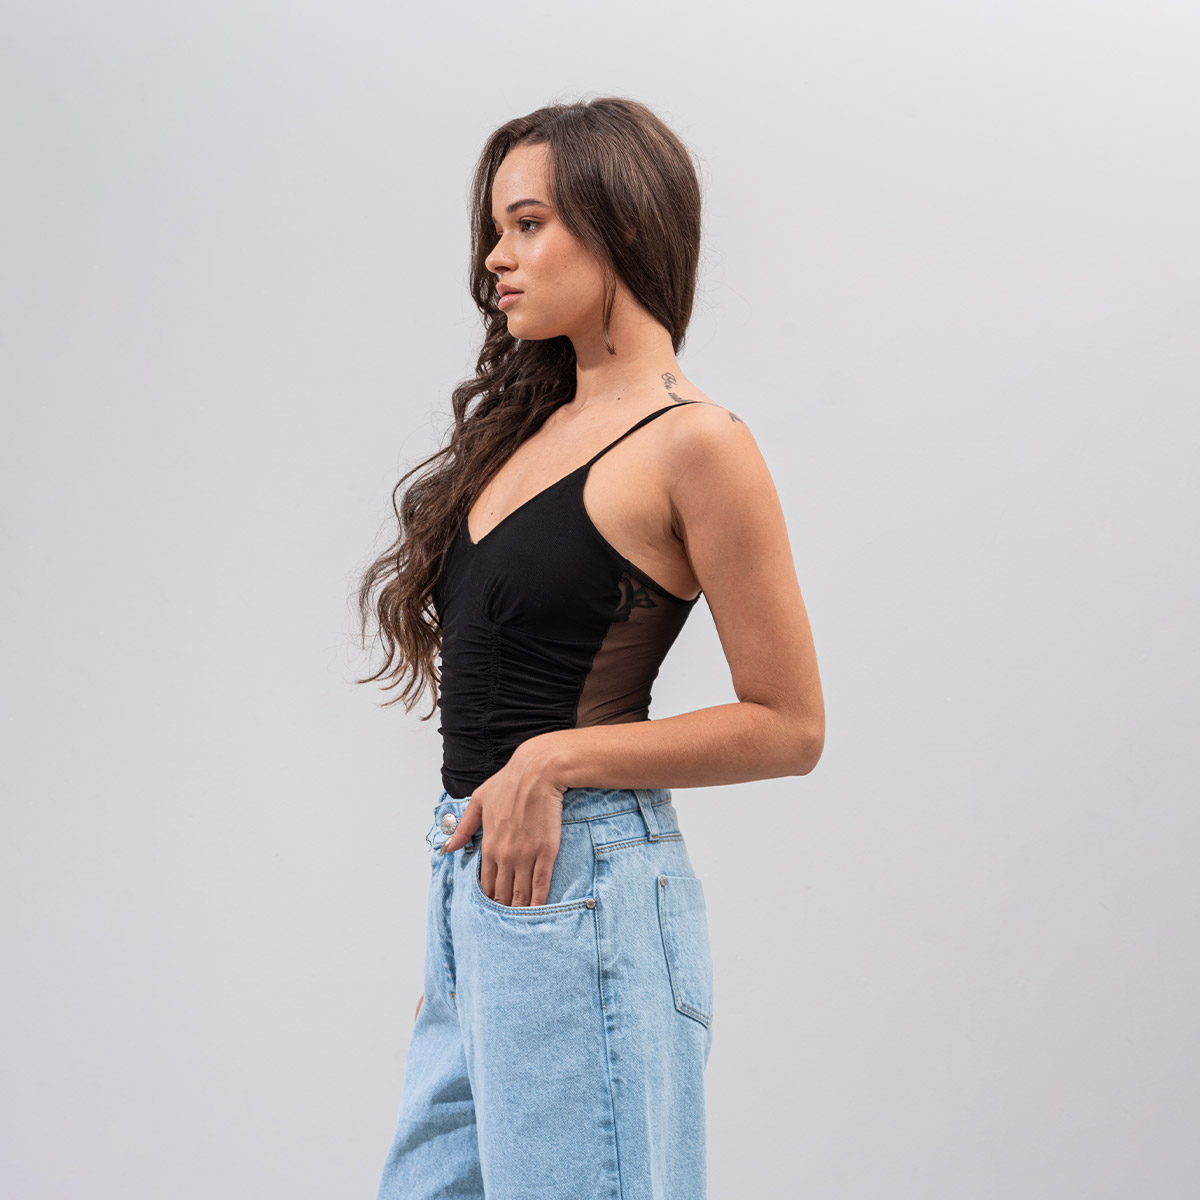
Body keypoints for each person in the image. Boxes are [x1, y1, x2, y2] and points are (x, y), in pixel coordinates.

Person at [357, 95, 824, 1200]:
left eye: (527, 225)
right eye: (495, 230)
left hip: (587, 885)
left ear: (621, 225)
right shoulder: (527, 431)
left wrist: (557, 758)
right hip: (479, 889)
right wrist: (462, 947)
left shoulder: (697, 443)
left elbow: (790, 725)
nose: (495, 258)